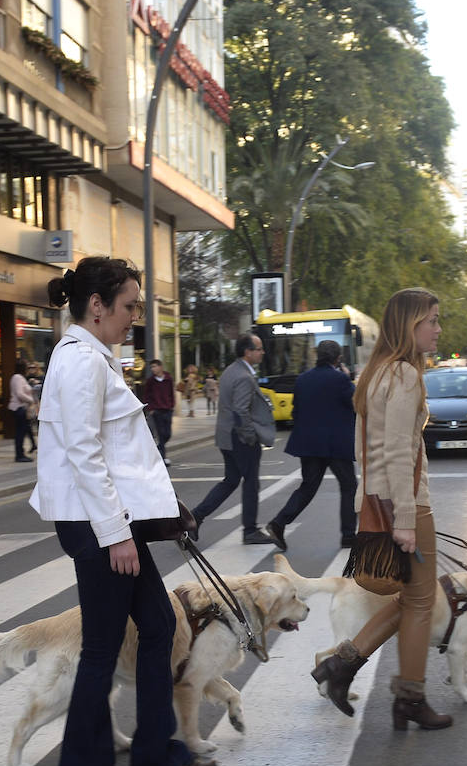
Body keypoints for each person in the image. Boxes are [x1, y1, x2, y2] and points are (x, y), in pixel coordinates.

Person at [33, 256, 216, 766]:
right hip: (97, 525)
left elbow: (115, 453)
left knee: (159, 623)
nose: (136, 315)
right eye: (130, 305)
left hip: (108, 520)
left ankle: (155, 752)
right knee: (101, 650)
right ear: (97, 305)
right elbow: (85, 454)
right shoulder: (81, 362)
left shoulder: (93, 357)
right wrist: (116, 534)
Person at [310, 288, 453, 732]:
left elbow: (364, 452)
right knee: (422, 602)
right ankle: (409, 696)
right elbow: (397, 452)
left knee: (413, 597)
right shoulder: (406, 375)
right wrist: (406, 520)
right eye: (431, 320)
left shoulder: (375, 374)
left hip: (378, 501)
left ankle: (342, 666)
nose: (437, 328)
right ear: (410, 324)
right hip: (405, 504)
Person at [265, 339, 358, 551]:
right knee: (349, 486)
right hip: (335, 444)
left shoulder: (303, 379)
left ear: (317, 356)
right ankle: (348, 535)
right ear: (338, 358)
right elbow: (356, 404)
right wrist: (347, 378)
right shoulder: (340, 380)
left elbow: (296, 411)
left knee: (307, 487)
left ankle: (279, 523)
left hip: (309, 444)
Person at [190, 335, 279, 546]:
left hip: (226, 436)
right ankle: (250, 531)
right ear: (247, 352)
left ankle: (196, 516)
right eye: (259, 349)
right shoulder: (244, 377)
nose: (262, 352)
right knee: (250, 484)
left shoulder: (231, 370)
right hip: (239, 438)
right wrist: (249, 436)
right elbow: (240, 411)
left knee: (230, 480)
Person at [141, 360, 176, 465]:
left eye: (155, 366)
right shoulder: (150, 381)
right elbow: (146, 396)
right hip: (156, 410)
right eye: (151, 367)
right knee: (160, 434)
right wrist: (150, 409)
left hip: (167, 409)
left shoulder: (168, 379)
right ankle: (163, 458)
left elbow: (171, 393)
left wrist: (171, 405)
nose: (153, 369)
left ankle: (157, 449)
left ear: (160, 367)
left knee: (167, 434)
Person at [9, 359, 37, 463]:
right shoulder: (17, 378)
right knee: (20, 432)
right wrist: (30, 400)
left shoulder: (19, 378)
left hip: (21, 408)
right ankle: (20, 454)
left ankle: (29, 448)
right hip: (18, 407)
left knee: (24, 429)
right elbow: (19, 393)